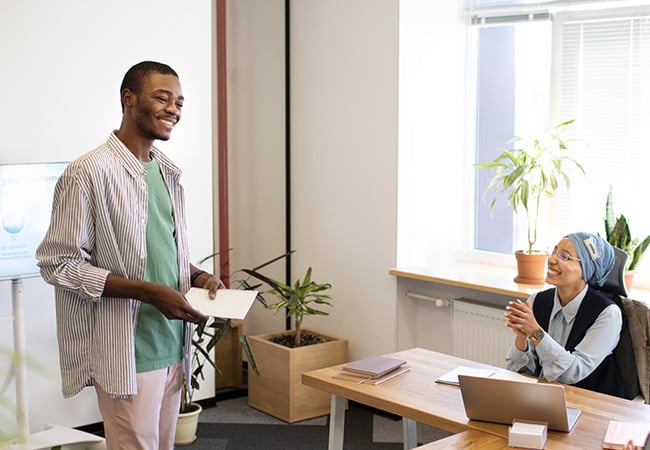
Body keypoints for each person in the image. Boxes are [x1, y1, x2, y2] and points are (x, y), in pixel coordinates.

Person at [36, 61, 220, 449]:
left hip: (173, 345)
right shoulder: (87, 172)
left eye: (180, 102)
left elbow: (159, 250)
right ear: (128, 99)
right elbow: (58, 264)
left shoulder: (168, 172)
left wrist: (198, 276)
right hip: (127, 351)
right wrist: (148, 292)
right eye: (163, 98)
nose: (174, 109)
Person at [504, 232, 626, 397]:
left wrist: (535, 333)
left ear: (587, 268)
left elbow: (573, 372)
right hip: (544, 398)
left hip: (590, 404)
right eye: (554, 252)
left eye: (565, 256)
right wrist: (521, 339)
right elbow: (518, 371)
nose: (552, 260)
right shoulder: (537, 301)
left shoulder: (607, 314)